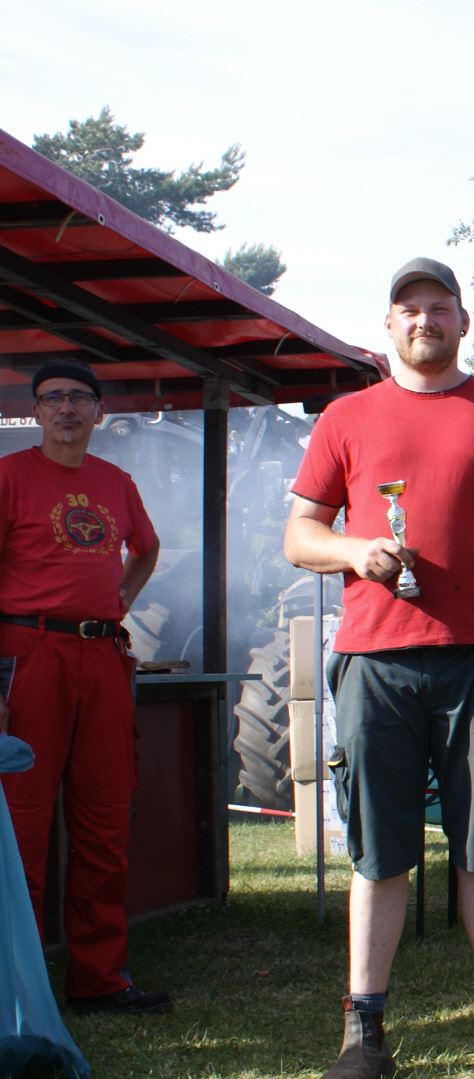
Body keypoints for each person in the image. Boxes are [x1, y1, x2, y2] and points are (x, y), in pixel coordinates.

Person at [284, 258, 474, 1079]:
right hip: (375, 661)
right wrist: (353, 550)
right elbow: (300, 534)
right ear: (388, 325)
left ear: (464, 321)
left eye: (440, 307)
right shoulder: (347, 416)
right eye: (409, 308)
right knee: (379, 850)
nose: (424, 319)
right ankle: (364, 1034)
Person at [0, 359, 167, 1016]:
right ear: (35, 412)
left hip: (101, 655)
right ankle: (17, 987)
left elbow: (146, 548)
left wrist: (119, 599)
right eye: (52, 398)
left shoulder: (115, 482)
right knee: (21, 819)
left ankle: (99, 980)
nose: (66, 408)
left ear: (100, 411)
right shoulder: (9, 476)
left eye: (78, 398)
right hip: (28, 652)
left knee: (104, 817)